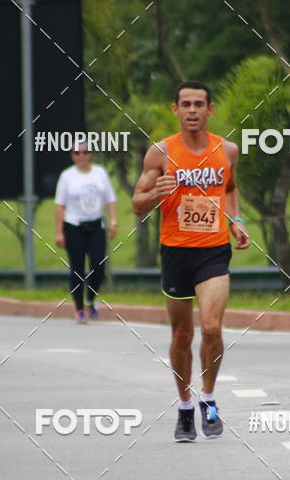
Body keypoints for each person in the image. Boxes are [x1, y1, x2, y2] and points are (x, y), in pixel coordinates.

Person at [132, 81, 250, 442]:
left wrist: (236, 220)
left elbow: (229, 188)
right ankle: (185, 406)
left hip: (213, 251)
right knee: (182, 335)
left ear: (210, 109)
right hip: (175, 251)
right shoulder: (160, 153)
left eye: (199, 104)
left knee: (212, 329)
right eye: (186, 104)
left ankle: (209, 400)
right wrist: (156, 193)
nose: (193, 110)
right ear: (175, 110)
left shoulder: (226, 150)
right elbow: (137, 203)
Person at [54, 139, 117, 322]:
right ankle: (79, 308)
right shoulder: (67, 176)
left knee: (99, 266)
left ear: (91, 154)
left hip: (96, 226)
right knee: (77, 268)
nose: (82, 156)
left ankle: (91, 300)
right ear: (72, 155)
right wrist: (59, 232)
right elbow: (60, 206)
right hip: (74, 226)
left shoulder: (100, 173)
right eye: (77, 153)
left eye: (85, 152)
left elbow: (110, 199)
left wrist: (113, 221)